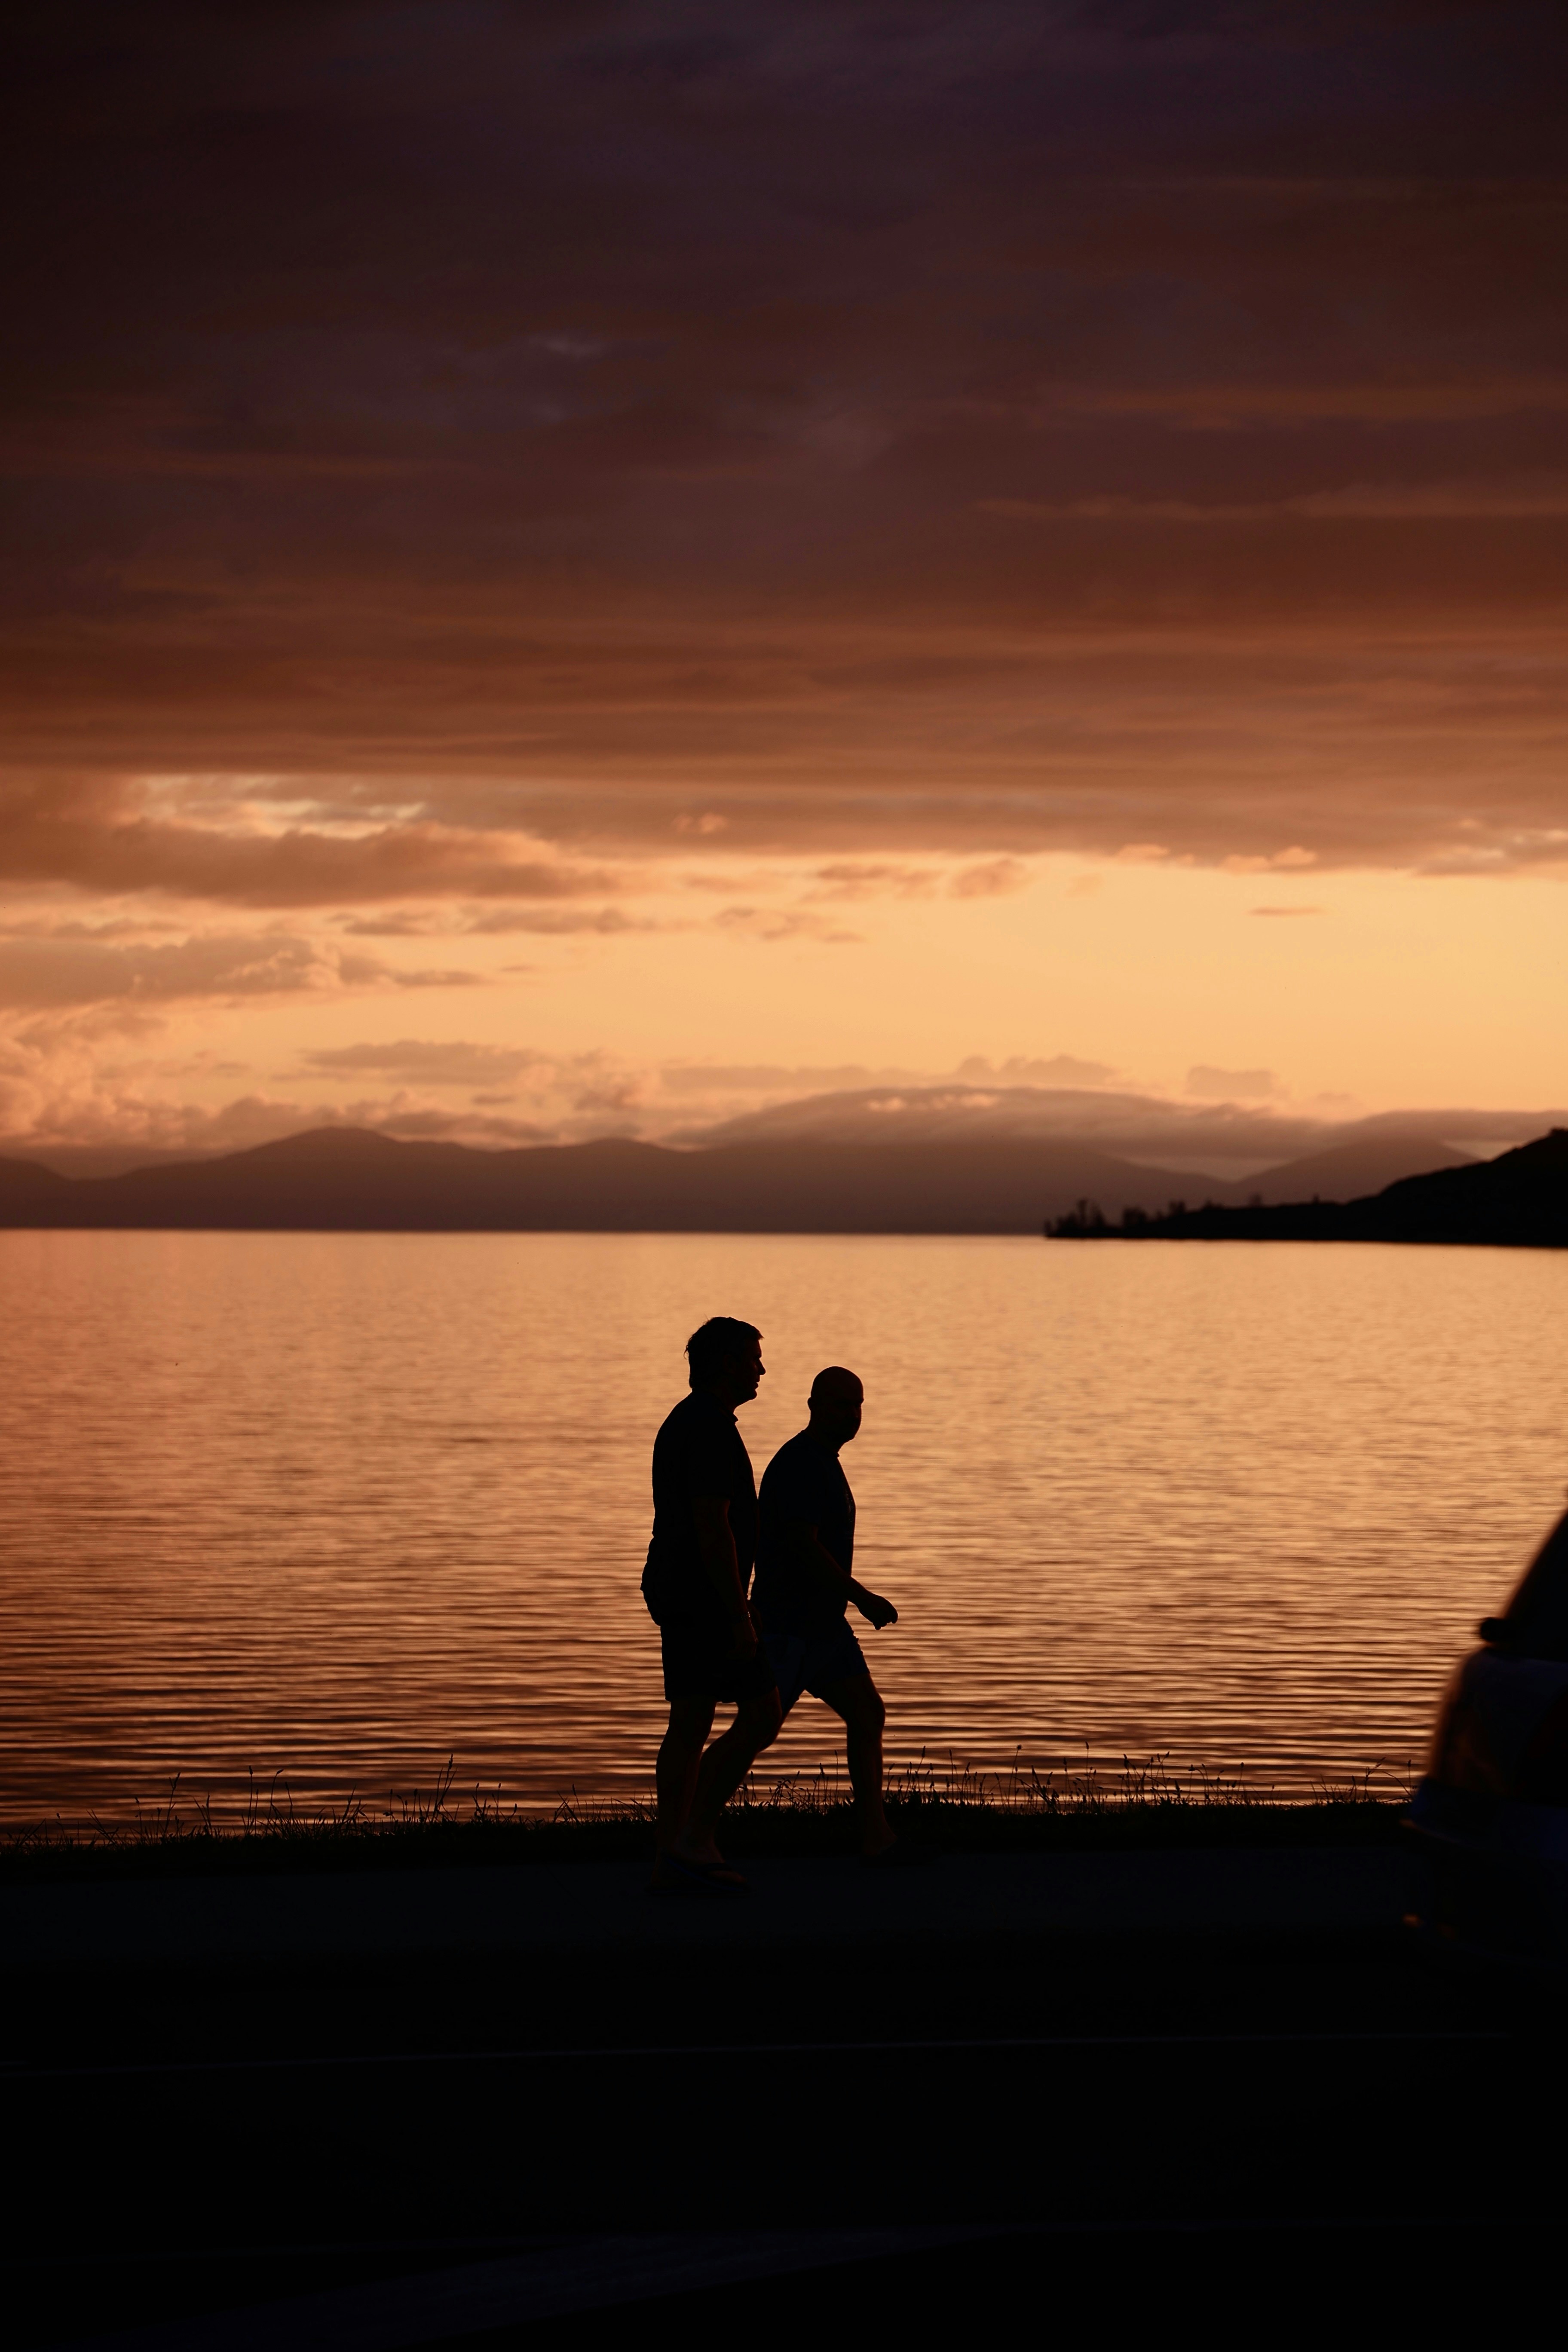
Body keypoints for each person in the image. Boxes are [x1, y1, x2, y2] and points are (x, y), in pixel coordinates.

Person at [642, 1316, 782, 1893]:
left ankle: (674, 1852)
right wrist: (737, 1613)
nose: (761, 1369)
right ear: (727, 1364)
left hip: (687, 1592)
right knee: (762, 1712)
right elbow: (712, 1528)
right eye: (753, 1359)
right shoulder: (707, 1429)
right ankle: (691, 1839)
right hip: (702, 1599)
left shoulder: (697, 1421)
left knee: (693, 1720)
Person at [752, 1366, 906, 1863]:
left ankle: (876, 1838)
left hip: (824, 1626)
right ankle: (690, 1831)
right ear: (814, 1404)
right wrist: (862, 1596)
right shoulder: (802, 1464)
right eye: (841, 1404)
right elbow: (803, 1547)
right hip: (789, 1623)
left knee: (867, 1713)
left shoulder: (824, 1461)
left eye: (858, 1404)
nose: (851, 1414)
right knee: (757, 1729)